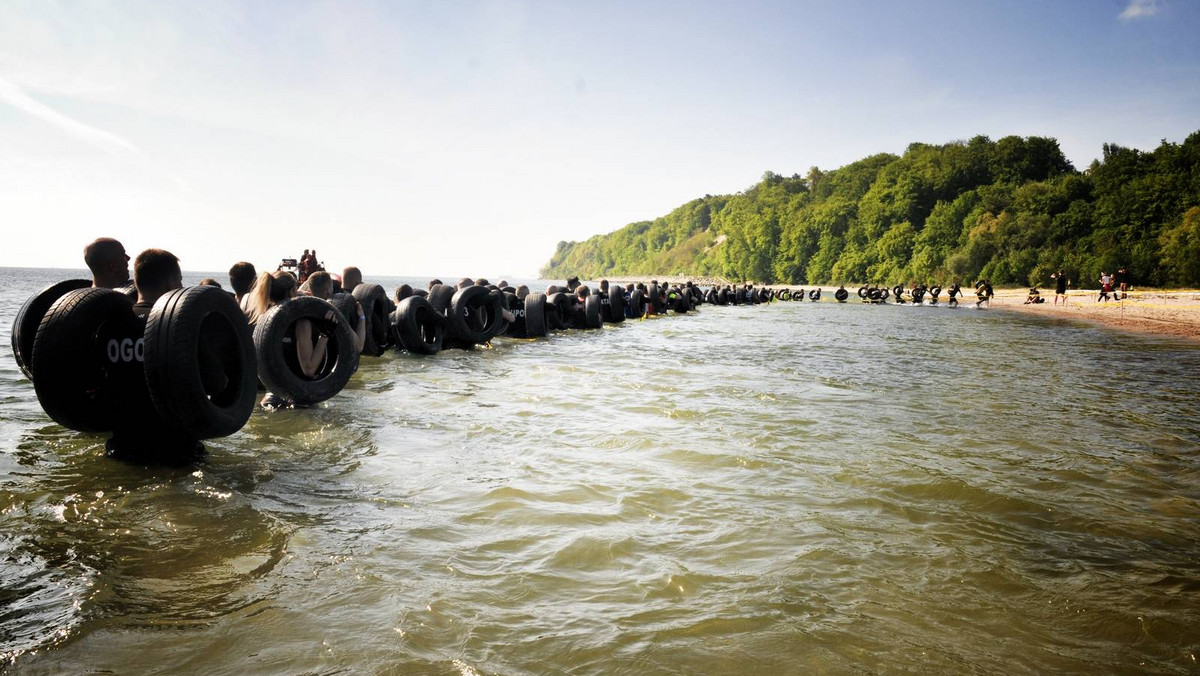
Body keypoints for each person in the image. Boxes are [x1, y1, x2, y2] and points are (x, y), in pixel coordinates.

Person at [245, 270, 330, 409]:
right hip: (300, 399)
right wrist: (324, 335)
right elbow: (308, 369)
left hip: (271, 398)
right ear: (292, 291)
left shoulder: (263, 319)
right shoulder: (302, 322)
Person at [309, 270, 366, 354]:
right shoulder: (334, 315)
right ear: (329, 291)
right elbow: (358, 347)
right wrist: (362, 317)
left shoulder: (305, 313)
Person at [131, 249, 183, 317]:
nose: (181, 287)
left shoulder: (117, 316)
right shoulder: (173, 321)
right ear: (171, 281)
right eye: (179, 280)